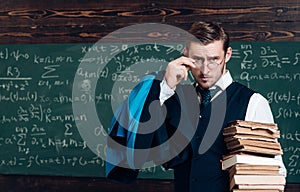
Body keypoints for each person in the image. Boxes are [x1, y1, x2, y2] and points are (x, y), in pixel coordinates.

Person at [106, 21, 286, 192]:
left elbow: (274, 171)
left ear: (227, 55)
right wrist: (165, 88)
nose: (205, 70)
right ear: (186, 55)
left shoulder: (253, 102)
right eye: (197, 59)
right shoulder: (171, 98)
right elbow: (148, 147)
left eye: (214, 59)